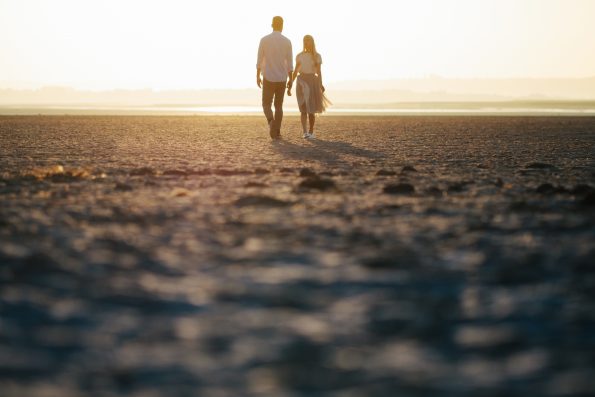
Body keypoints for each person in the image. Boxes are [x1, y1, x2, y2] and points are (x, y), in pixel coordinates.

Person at [256, 16, 293, 140]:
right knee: (279, 106)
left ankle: (271, 122)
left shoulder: (264, 40)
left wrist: (257, 76)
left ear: (272, 25)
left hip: (268, 77)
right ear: (282, 26)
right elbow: (290, 63)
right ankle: (277, 132)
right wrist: (291, 79)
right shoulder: (287, 41)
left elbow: (259, 59)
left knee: (266, 104)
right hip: (282, 78)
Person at [288, 34, 331, 139]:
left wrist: (320, 84)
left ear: (312, 42)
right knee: (303, 108)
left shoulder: (317, 56)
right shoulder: (299, 56)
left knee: (311, 109)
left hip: (312, 81)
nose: (306, 42)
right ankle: (305, 132)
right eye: (305, 40)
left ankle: (311, 131)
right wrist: (290, 84)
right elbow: (295, 71)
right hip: (301, 81)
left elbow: (319, 72)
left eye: (308, 40)